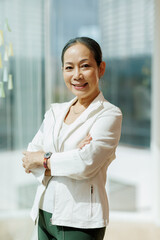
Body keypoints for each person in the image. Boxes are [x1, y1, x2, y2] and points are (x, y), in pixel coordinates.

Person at [22, 37, 122, 240]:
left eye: (85, 66)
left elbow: (85, 163)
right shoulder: (55, 112)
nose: (77, 75)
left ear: (100, 68)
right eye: (69, 68)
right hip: (43, 211)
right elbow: (29, 157)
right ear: (62, 71)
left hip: (80, 219)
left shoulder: (109, 114)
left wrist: (43, 158)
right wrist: (70, 157)